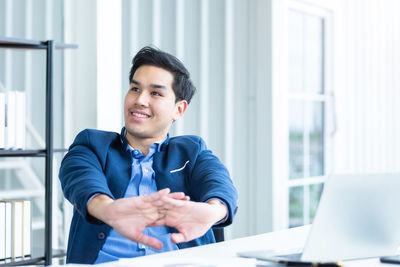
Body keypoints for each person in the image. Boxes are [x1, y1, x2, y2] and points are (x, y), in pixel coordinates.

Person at [59, 46, 238, 264]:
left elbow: (220, 183)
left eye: (155, 93)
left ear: (178, 110)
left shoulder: (191, 151)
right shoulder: (93, 144)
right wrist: (108, 209)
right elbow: (78, 178)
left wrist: (212, 211)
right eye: (135, 89)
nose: (140, 100)